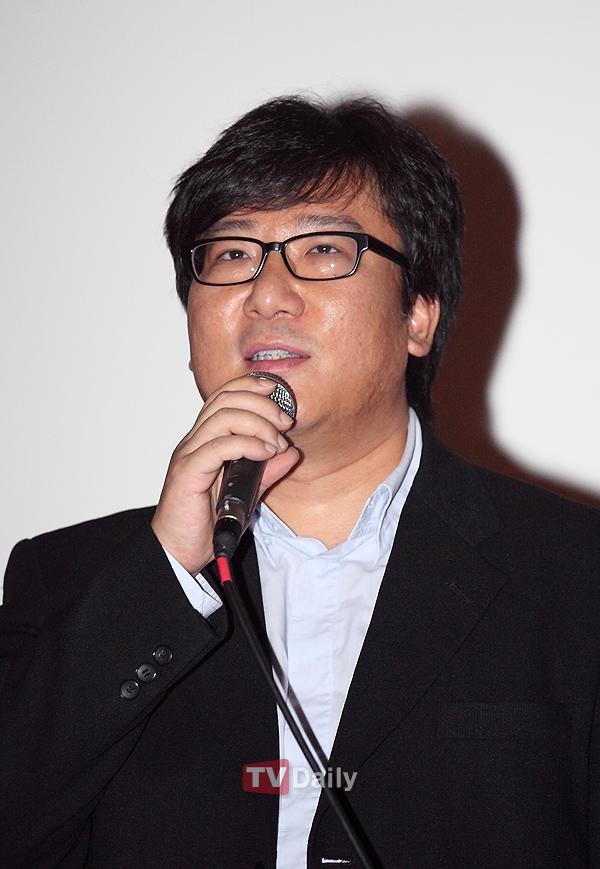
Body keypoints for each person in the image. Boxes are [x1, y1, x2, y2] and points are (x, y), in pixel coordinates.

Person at [1, 95, 600, 869]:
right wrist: (165, 575)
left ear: (418, 314)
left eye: (322, 249)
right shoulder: (64, 582)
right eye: (231, 255)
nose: (266, 293)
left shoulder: (577, 574)